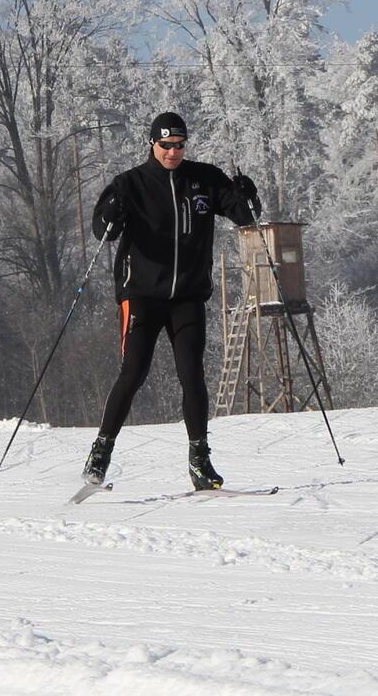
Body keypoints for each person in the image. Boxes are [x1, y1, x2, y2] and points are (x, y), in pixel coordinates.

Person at [83, 111, 261, 490]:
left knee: (192, 374)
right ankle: (100, 453)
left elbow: (247, 217)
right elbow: (103, 230)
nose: (173, 152)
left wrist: (248, 194)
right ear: (152, 143)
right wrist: (111, 213)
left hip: (188, 296)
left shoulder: (204, 179)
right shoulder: (131, 183)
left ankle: (200, 460)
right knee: (134, 372)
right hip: (141, 295)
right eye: (166, 145)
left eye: (179, 145)